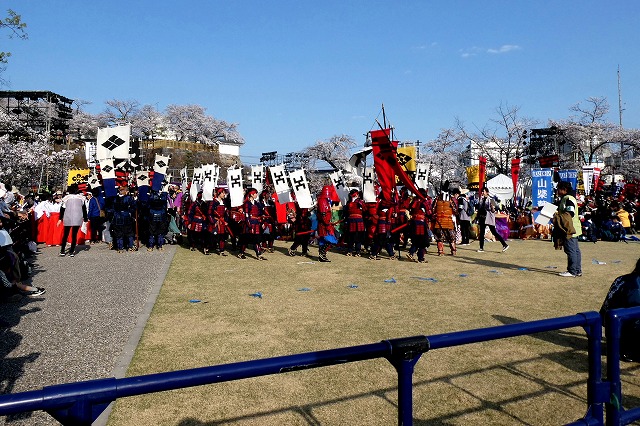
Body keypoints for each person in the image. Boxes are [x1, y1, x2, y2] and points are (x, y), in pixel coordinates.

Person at [600, 258, 640, 362]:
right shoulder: (632, 285)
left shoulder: (621, 280)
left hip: (615, 334)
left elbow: (604, 312)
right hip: (627, 340)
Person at [555, 180, 582, 277]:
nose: (557, 191)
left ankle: (572, 271)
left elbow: (570, 213)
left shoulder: (568, 199)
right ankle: (577, 270)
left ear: (564, 189)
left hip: (569, 228)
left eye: (558, 189)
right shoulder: (569, 198)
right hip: (575, 228)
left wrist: (558, 217)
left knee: (571, 250)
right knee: (575, 250)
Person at [476, 187, 509, 253]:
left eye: (483, 191)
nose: (482, 193)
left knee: (494, 232)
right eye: (482, 191)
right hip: (482, 218)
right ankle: (481, 247)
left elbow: (496, 208)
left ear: (487, 192)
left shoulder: (491, 199)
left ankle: (504, 244)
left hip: (489, 217)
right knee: (482, 232)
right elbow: (479, 208)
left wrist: (492, 208)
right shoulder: (481, 199)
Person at [58, 184, 88, 257]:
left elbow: (62, 209)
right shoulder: (81, 198)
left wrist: (60, 218)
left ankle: (62, 250)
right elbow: (84, 209)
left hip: (68, 217)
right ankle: (71, 251)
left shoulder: (66, 198)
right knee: (74, 235)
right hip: (77, 217)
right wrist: (85, 219)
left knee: (65, 234)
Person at [238, 188, 266, 260]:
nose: (256, 195)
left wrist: (262, 222)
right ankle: (241, 253)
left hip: (256, 223)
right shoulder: (247, 203)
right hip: (249, 223)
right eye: (255, 193)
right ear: (251, 194)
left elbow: (260, 212)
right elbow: (247, 214)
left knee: (256, 239)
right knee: (245, 239)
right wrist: (249, 224)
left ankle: (259, 254)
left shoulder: (256, 203)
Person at [406, 189, 432, 263]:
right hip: (420, 223)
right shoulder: (424, 202)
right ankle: (419, 257)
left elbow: (410, 210)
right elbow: (429, 213)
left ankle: (414, 254)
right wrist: (432, 217)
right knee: (423, 241)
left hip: (414, 222)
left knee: (417, 240)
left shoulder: (414, 201)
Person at [111, 185, 137, 253]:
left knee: (118, 232)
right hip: (125, 216)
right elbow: (134, 206)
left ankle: (120, 248)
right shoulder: (128, 198)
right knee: (129, 232)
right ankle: (130, 246)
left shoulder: (115, 198)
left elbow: (112, 208)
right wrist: (130, 211)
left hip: (117, 217)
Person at [316, 185, 337, 262]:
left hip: (324, 223)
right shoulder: (323, 201)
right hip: (324, 224)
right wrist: (327, 224)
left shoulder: (324, 200)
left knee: (323, 241)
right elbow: (323, 214)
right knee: (331, 240)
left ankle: (322, 256)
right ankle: (322, 254)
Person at [207, 187, 229, 256]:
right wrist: (213, 221)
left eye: (224, 193)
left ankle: (221, 250)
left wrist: (226, 220)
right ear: (219, 193)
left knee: (222, 236)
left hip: (222, 221)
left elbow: (226, 213)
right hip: (215, 221)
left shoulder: (224, 202)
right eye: (223, 193)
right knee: (212, 236)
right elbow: (209, 213)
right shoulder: (213, 202)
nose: (224, 194)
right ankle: (207, 248)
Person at [344, 189, 365, 257]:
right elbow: (346, 211)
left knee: (358, 236)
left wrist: (359, 201)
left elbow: (365, 209)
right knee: (350, 236)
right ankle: (350, 250)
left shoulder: (360, 201)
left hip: (359, 220)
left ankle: (358, 251)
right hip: (351, 220)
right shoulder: (349, 202)